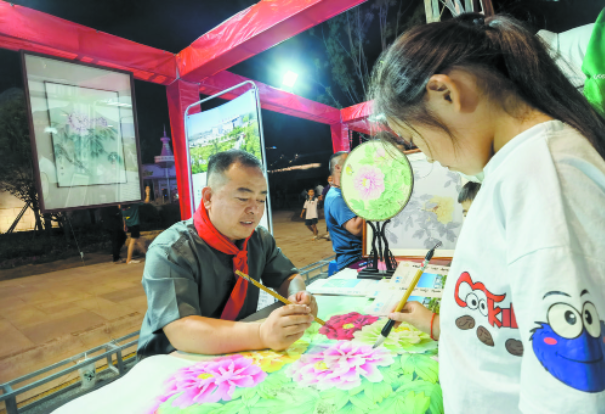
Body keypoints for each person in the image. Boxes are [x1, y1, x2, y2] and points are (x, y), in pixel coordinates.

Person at [371, 13, 605, 413]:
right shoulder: (522, 168)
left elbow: (572, 384)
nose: (427, 156)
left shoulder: (543, 173)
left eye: (414, 138)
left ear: (445, 93)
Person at [137, 150, 317, 358]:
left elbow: (287, 276)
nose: (255, 210)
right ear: (208, 197)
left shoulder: (258, 239)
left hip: (235, 349)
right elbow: (181, 330)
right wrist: (261, 334)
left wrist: (297, 297)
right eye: (242, 198)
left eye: (261, 200)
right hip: (171, 360)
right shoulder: (170, 251)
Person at [324, 152, 364, 270]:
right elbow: (356, 229)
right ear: (338, 167)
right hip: (354, 260)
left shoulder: (344, 193)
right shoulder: (336, 198)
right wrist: (370, 200)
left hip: (360, 257)